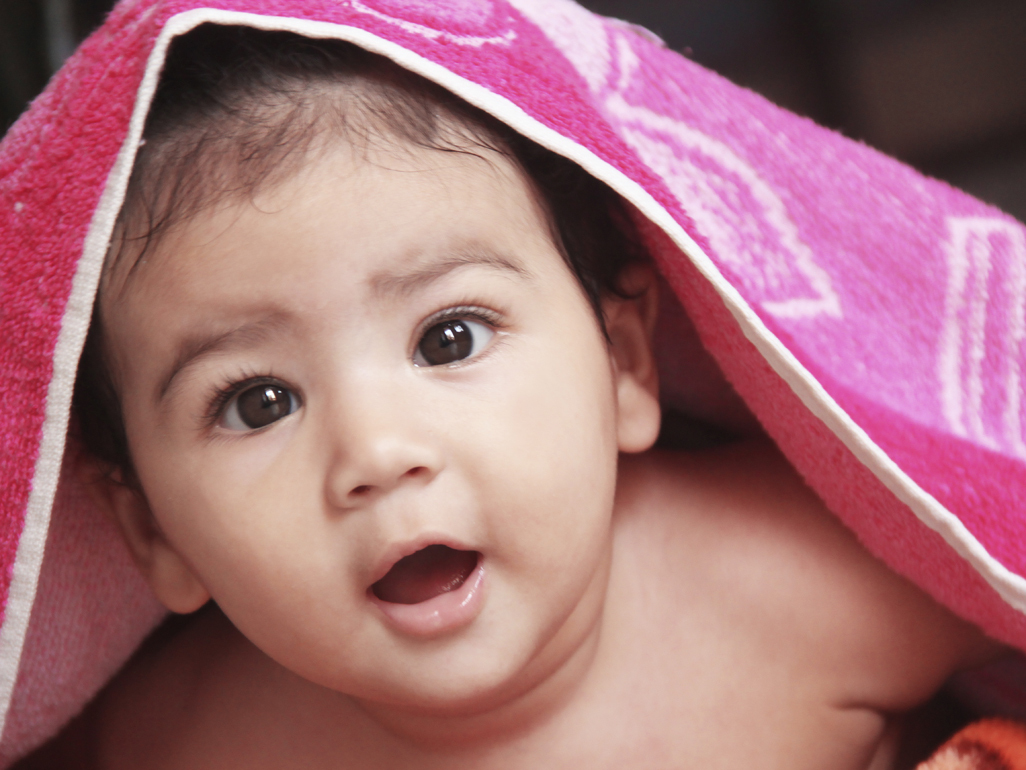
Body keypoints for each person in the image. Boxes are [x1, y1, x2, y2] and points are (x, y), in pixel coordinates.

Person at [19, 22, 1006, 770]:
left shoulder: (800, 579)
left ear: (623, 360)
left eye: (448, 337)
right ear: (154, 529)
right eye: (258, 402)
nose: (376, 450)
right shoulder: (195, 735)